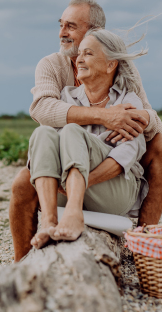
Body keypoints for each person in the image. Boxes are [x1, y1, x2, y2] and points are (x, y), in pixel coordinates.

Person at [9, 0, 162, 262]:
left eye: (71, 26)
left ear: (94, 33)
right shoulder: (53, 68)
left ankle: (145, 241)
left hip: (105, 171)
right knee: (23, 179)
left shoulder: (122, 71)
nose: (62, 33)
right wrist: (104, 116)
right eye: (61, 25)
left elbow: (150, 124)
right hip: (69, 167)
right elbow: (41, 110)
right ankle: (24, 260)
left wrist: (141, 116)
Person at [29, 29, 149, 248]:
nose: (80, 59)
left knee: (72, 131)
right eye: (80, 54)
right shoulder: (67, 98)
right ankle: (47, 221)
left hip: (113, 192)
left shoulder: (128, 101)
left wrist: (82, 183)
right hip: (63, 190)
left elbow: (125, 155)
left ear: (110, 64)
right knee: (43, 132)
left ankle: (74, 214)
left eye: (88, 54)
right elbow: (46, 152)